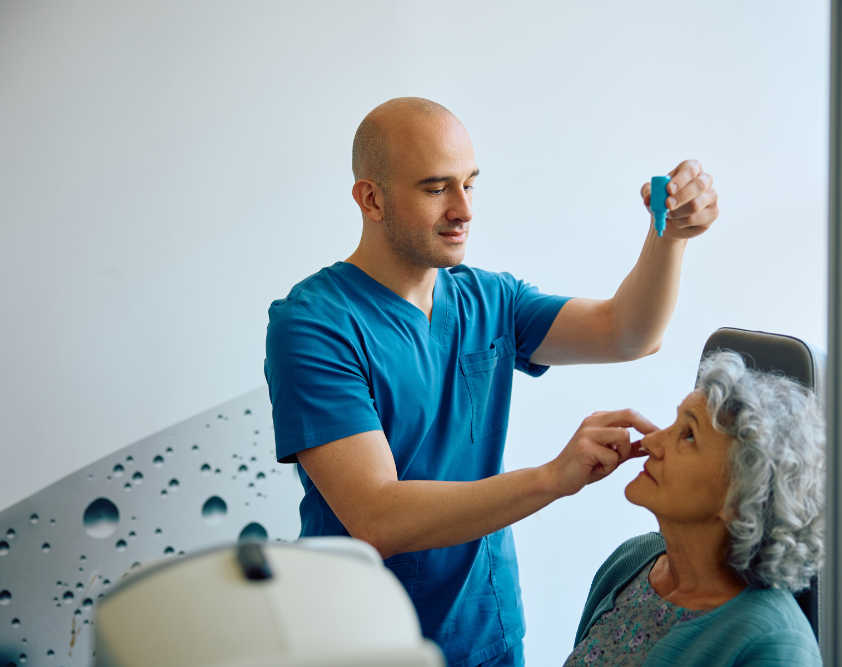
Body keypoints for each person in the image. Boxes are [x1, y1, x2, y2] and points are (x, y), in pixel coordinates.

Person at [264, 96, 719, 667]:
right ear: (371, 198)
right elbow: (377, 517)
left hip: (487, 629)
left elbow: (627, 333)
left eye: (470, 184)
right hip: (364, 644)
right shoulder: (312, 324)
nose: (464, 209)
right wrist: (553, 478)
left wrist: (670, 236)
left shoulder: (488, 298)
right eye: (436, 189)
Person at [566, 351, 824, 667]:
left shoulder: (775, 643)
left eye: (688, 435)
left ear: (742, 498)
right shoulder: (630, 560)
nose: (651, 442)